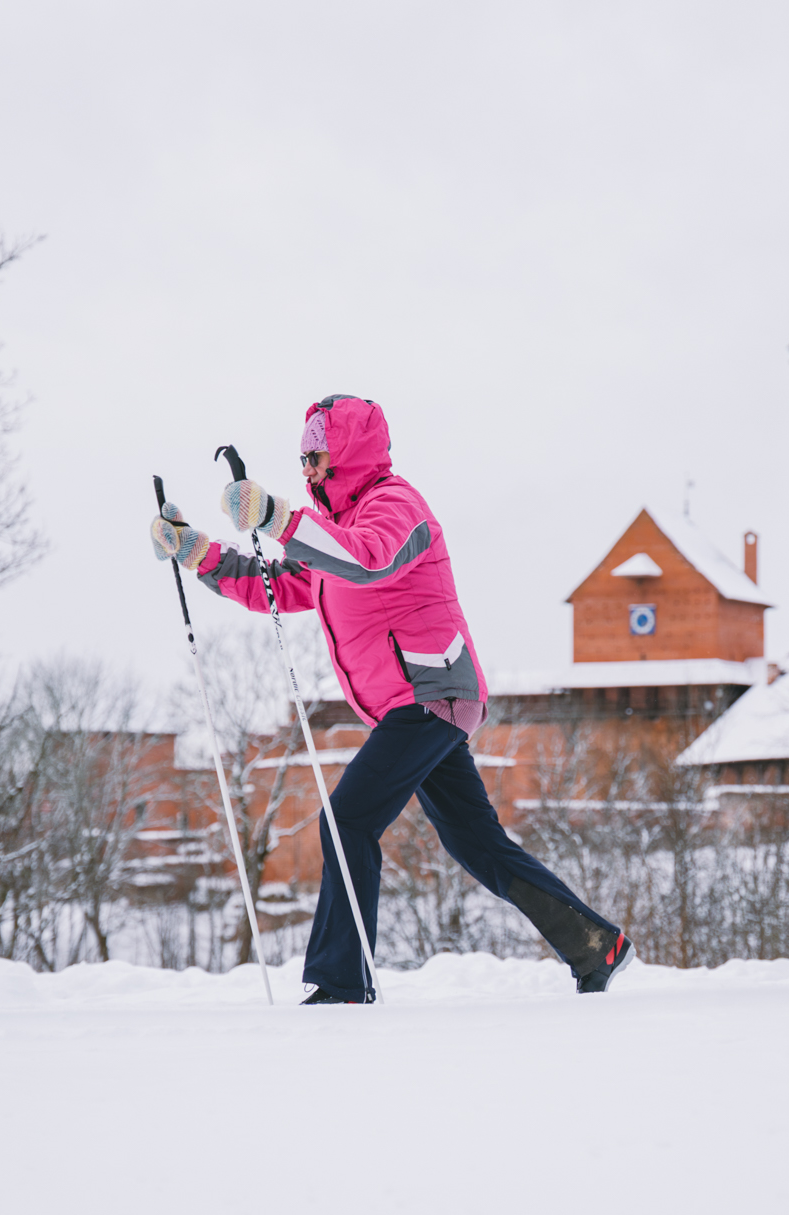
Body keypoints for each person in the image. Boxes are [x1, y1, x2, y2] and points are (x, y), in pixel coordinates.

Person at [149, 394, 633, 1002]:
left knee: (347, 819)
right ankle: (596, 944)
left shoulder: (395, 507)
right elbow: (283, 586)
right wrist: (198, 552)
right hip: (410, 706)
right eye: (301, 459)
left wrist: (274, 516)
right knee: (475, 841)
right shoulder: (333, 532)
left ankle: (342, 983)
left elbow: (366, 562)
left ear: (347, 453)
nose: (307, 470)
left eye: (316, 457)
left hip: (432, 692)